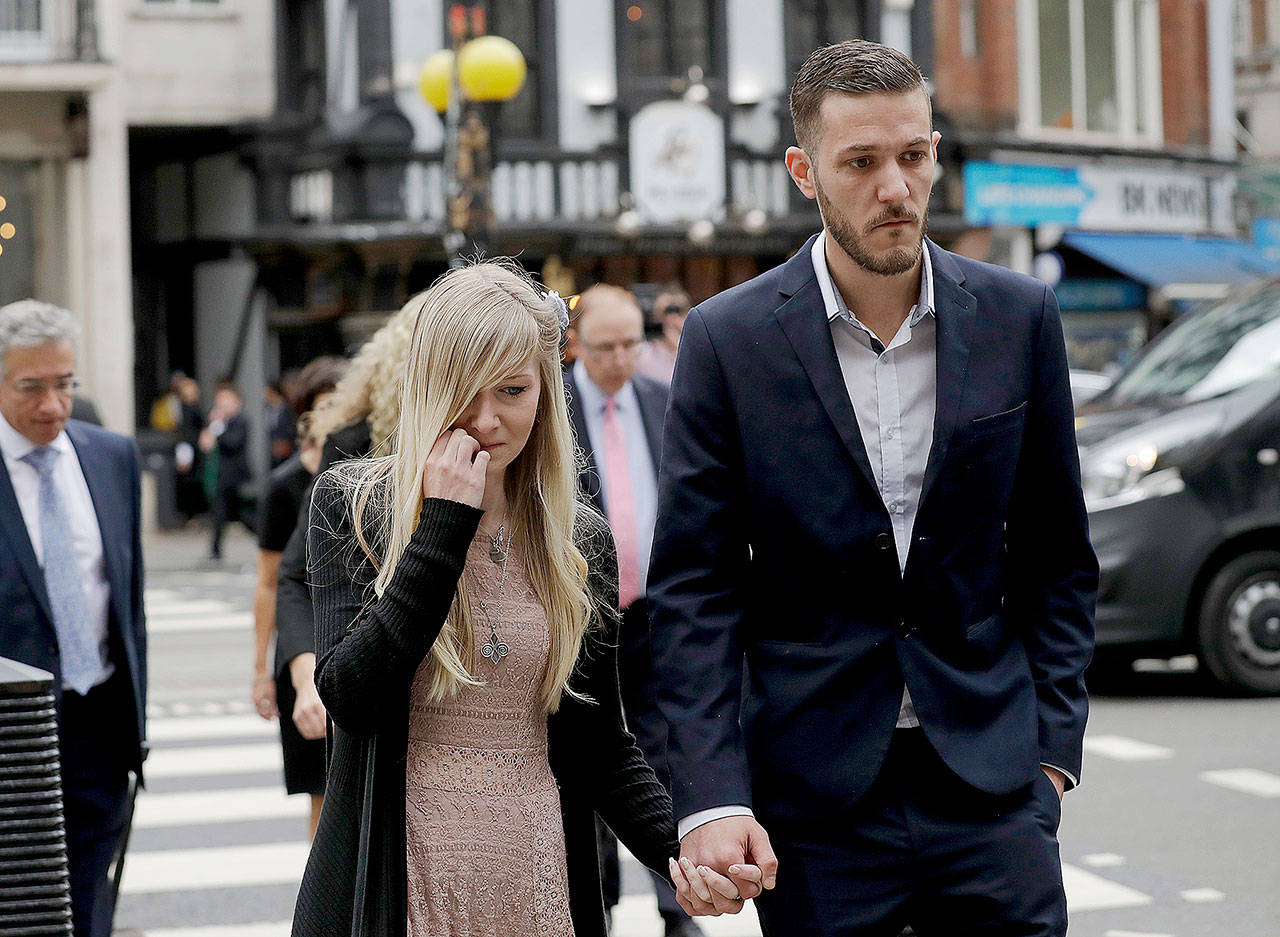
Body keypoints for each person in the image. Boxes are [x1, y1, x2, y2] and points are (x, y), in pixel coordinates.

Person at [651, 40, 1098, 935]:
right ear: (804, 173)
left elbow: (1056, 556)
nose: (895, 187)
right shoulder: (726, 340)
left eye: (913, 156)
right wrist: (711, 797)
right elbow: (696, 590)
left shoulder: (1020, 317)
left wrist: (1050, 755)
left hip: (991, 784)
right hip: (817, 800)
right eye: (860, 162)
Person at [291, 263, 748, 937]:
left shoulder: (576, 539)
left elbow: (600, 742)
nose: (487, 419)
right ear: (427, 386)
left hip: (534, 870)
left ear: (545, 388)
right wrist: (443, 526)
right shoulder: (356, 506)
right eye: (464, 392)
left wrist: (680, 854)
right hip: (405, 876)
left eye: (512, 389)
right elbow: (351, 697)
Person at [0, 300, 147, 937]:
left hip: (100, 723)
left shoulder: (111, 457)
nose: (53, 406)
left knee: (90, 905)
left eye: (65, 385)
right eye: (32, 388)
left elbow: (129, 603)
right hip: (12, 735)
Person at [564, 285, 700, 937]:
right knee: (587, 759)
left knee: (659, 752)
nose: (619, 358)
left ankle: (676, 905)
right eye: (604, 346)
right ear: (575, 344)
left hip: (651, 612)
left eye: (630, 344)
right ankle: (602, 906)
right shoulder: (551, 409)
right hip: (577, 616)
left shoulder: (659, 397)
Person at [251, 356, 347, 840]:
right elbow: (272, 581)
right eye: (324, 405)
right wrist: (259, 670)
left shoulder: (363, 469)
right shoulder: (285, 484)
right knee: (321, 791)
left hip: (352, 642)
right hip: (302, 647)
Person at [200, 378, 251, 560]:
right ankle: (215, 550)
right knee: (219, 513)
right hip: (219, 476)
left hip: (235, 476)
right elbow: (206, 443)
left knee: (245, 514)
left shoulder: (240, 420)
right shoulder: (217, 423)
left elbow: (233, 442)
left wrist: (217, 430)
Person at [634, 283, 690, 386]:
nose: (671, 319)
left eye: (679, 311)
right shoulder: (640, 354)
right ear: (655, 317)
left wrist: (682, 349)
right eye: (666, 312)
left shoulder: (696, 354)